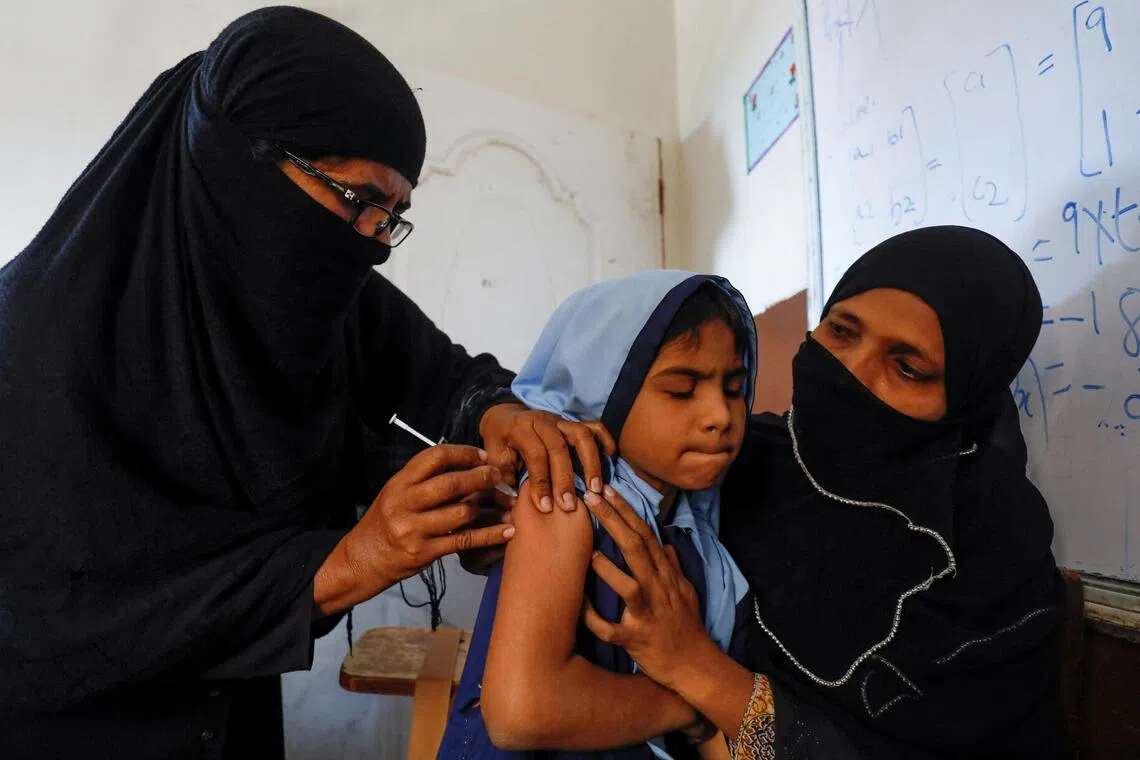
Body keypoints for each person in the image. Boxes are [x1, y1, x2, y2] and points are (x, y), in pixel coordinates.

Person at [0, 8, 612, 759]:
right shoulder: (29, 353)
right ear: (237, 165)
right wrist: (352, 559)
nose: (373, 249)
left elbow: (434, 373)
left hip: (235, 716)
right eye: (359, 202)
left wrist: (495, 417)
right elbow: (58, 621)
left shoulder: (311, 284)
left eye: (394, 218)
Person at [575, 227, 1066, 759]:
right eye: (841, 331)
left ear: (965, 400)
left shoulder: (994, 569)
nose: (850, 372)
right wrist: (507, 420)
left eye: (907, 368)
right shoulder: (729, 460)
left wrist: (696, 669)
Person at [437, 271, 756, 759]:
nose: (720, 415)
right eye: (681, 391)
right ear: (604, 392)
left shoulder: (697, 528)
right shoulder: (565, 498)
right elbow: (523, 712)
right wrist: (686, 704)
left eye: (734, 388)